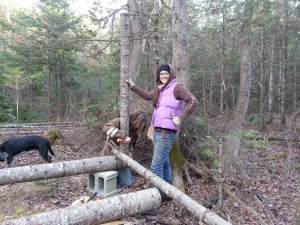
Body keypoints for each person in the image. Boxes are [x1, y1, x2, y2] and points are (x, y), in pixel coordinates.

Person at [126, 63, 199, 215]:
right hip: (158, 132)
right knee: (164, 162)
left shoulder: (177, 87)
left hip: (167, 133)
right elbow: (147, 95)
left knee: (156, 166)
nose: (163, 76)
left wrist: (181, 118)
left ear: (171, 74)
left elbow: (193, 101)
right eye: (161, 74)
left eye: (166, 73)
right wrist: (133, 86)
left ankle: (153, 205)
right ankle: (166, 193)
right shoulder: (161, 89)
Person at [101, 109, 147, 186]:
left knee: (128, 182)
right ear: (134, 119)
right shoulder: (120, 121)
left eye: (140, 125)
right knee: (106, 180)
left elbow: (131, 144)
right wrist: (124, 136)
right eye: (138, 123)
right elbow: (105, 128)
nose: (138, 126)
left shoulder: (136, 131)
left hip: (121, 159)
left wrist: (129, 152)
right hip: (109, 154)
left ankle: (116, 175)